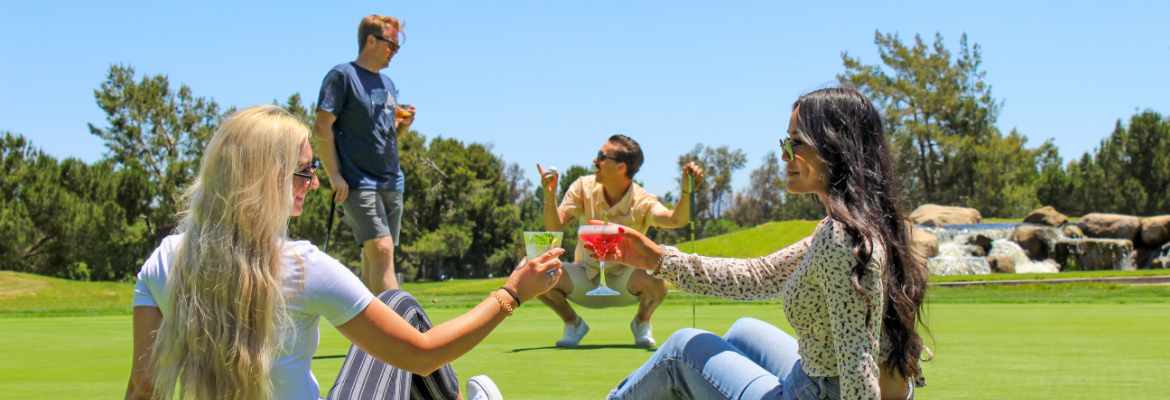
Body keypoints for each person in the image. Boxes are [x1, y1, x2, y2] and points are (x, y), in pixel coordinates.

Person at [125, 105, 560, 400]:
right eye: (304, 171)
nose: (314, 183)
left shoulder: (163, 261)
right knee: (398, 302)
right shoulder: (301, 266)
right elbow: (422, 354)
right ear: (265, 179)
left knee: (396, 304)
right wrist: (512, 293)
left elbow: (143, 390)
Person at [590, 88, 930, 400]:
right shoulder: (865, 222)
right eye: (784, 142)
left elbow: (858, 362)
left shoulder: (841, 239)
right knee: (744, 331)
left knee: (679, 351)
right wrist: (658, 259)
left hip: (824, 393)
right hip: (834, 379)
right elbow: (760, 275)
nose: (783, 155)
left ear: (834, 147)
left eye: (796, 143)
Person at [535, 135, 704, 348]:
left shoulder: (641, 200)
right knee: (534, 270)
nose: (595, 161)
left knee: (661, 274)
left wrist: (687, 192)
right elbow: (554, 226)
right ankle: (573, 323)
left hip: (626, 284)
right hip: (585, 279)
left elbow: (676, 220)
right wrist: (550, 196)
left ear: (620, 167)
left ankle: (642, 322)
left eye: (601, 156)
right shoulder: (583, 186)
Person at [315, 14, 416, 294]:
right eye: (391, 45)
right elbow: (322, 125)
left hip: (391, 181)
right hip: (359, 182)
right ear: (370, 40)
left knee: (374, 260)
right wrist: (335, 175)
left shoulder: (387, 83)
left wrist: (403, 125)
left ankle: (363, 324)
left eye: (397, 47)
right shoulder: (342, 76)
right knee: (382, 251)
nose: (395, 52)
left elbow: (388, 134)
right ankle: (398, 321)